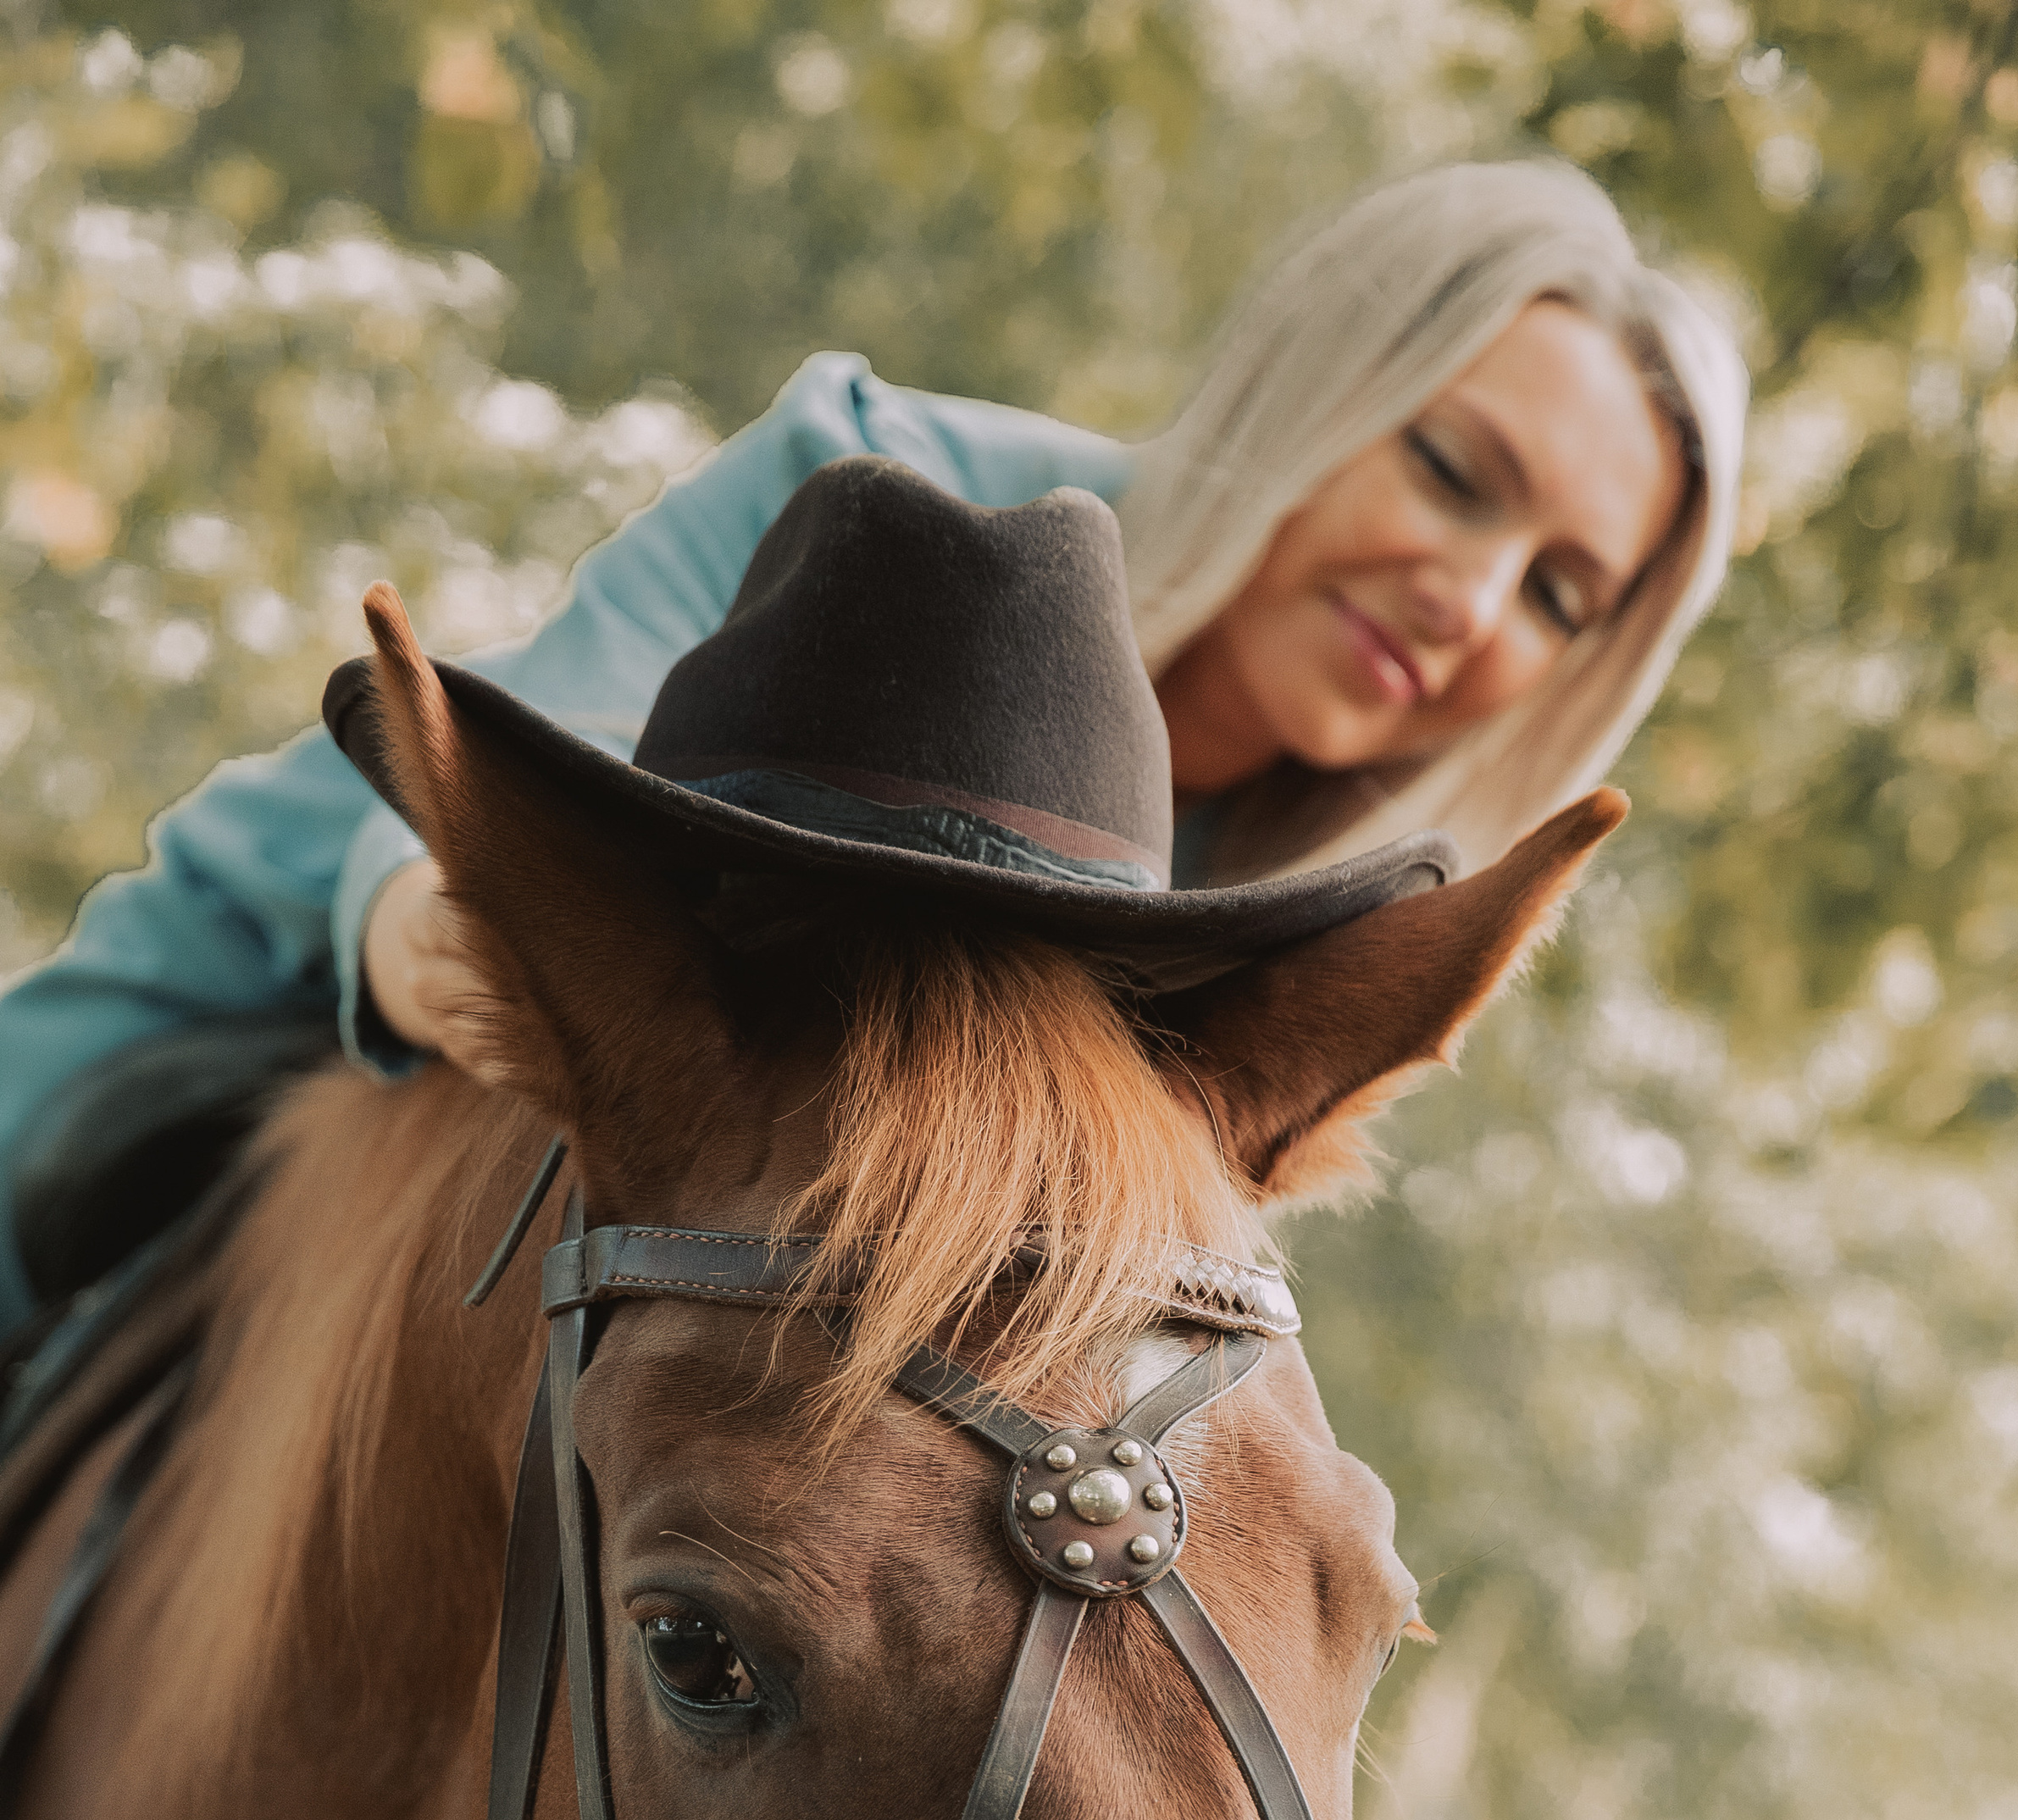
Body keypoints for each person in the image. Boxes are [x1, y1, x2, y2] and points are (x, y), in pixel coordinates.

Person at [0, 159, 1744, 1323]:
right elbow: (513, 768)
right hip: (249, 1010)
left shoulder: (1297, 944)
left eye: (1557, 595)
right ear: (1323, 383)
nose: (1470, 600)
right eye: (1452, 476)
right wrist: (462, 948)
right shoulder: (870, 484)